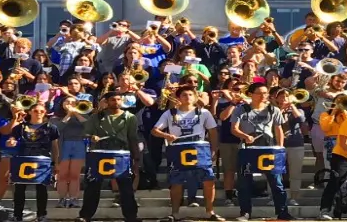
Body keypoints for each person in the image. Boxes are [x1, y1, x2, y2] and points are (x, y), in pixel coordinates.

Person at [153, 86, 225, 222]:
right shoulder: (170, 113)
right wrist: (166, 135)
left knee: (209, 180)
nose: (188, 97)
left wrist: (214, 150)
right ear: (178, 98)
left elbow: (213, 132)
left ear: (195, 97)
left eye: (191, 94)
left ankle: (210, 212)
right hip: (178, 148)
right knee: (176, 182)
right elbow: (155, 130)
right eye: (184, 95)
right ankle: (174, 213)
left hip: (199, 148)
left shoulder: (203, 112)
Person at [229, 83, 295, 221]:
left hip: (268, 148)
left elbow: (278, 129)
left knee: (276, 182)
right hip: (248, 149)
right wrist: (245, 136)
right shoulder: (241, 109)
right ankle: (245, 213)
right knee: (245, 182)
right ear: (251, 94)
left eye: (265, 93)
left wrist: (280, 147)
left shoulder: (273, 109)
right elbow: (233, 128)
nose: (263, 96)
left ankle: (282, 212)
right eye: (259, 93)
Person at [76, 93, 142, 222]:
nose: (116, 102)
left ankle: (131, 216)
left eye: (118, 99)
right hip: (100, 153)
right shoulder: (96, 117)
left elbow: (132, 138)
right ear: (106, 101)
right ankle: (85, 215)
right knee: (93, 186)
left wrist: (136, 158)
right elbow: (85, 134)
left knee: (126, 188)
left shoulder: (130, 117)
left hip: (121, 154)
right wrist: (92, 137)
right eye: (113, 99)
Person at [5, 100, 60, 222]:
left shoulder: (51, 128)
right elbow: (11, 139)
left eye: (41, 111)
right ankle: (17, 215)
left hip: (43, 160)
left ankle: (42, 215)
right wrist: (11, 142)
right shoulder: (20, 127)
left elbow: (55, 146)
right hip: (23, 159)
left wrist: (56, 163)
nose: (39, 113)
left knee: (42, 189)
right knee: (19, 189)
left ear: (45, 112)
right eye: (35, 111)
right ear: (30, 112)